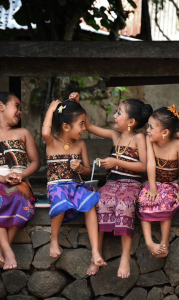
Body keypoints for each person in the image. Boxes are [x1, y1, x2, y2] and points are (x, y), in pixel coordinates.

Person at [73, 93, 152, 278]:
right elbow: (90, 126)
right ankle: (96, 254)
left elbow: (143, 166)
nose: (114, 116)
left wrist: (117, 163)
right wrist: (78, 105)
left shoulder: (140, 139)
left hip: (131, 184)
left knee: (125, 205)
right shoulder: (114, 135)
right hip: (111, 183)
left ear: (131, 121)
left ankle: (125, 257)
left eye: (119, 112)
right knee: (100, 202)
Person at [0, 92, 40, 270]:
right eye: (17, 106)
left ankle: (3, 250)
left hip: (20, 181)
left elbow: (36, 162)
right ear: (1, 106)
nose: (20, 111)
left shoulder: (23, 133)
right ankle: (7, 250)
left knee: (20, 196)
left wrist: (22, 176)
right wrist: (2, 178)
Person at [42, 97, 106, 272]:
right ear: (66, 126)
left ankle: (95, 252)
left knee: (91, 203)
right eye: (81, 124)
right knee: (60, 199)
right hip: (56, 186)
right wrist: (51, 109)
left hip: (76, 186)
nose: (84, 128)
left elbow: (86, 170)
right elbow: (45, 132)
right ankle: (54, 239)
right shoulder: (52, 141)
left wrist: (79, 168)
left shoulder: (80, 144)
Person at [137, 105, 179, 257]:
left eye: (151, 127)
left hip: (171, 185)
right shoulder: (150, 140)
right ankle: (149, 241)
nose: (147, 130)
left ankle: (164, 242)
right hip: (153, 182)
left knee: (166, 201)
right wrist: (152, 188)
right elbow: (151, 164)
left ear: (165, 132)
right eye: (148, 126)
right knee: (144, 200)